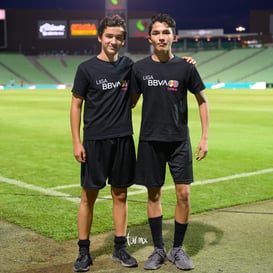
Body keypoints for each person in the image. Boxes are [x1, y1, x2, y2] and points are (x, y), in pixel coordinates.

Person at [131, 13, 209, 271]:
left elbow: (202, 101)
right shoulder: (139, 68)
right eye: (156, 32)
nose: (161, 37)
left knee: (183, 194)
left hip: (178, 141)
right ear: (149, 37)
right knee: (153, 194)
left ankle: (177, 249)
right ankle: (157, 249)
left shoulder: (186, 67)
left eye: (166, 32)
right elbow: (129, 102)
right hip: (150, 142)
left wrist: (204, 137)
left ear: (173, 37)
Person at [70, 14, 138, 272]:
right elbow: (76, 105)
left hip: (123, 139)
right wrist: (77, 142)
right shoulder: (86, 69)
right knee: (89, 196)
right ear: (100, 37)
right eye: (109, 36)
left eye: (118, 37)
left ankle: (120, 248)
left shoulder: (129, 66)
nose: (113, 41)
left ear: (123, 41)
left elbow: (133, 98)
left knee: (120, 194)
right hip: (94, 141)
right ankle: (84, 252)